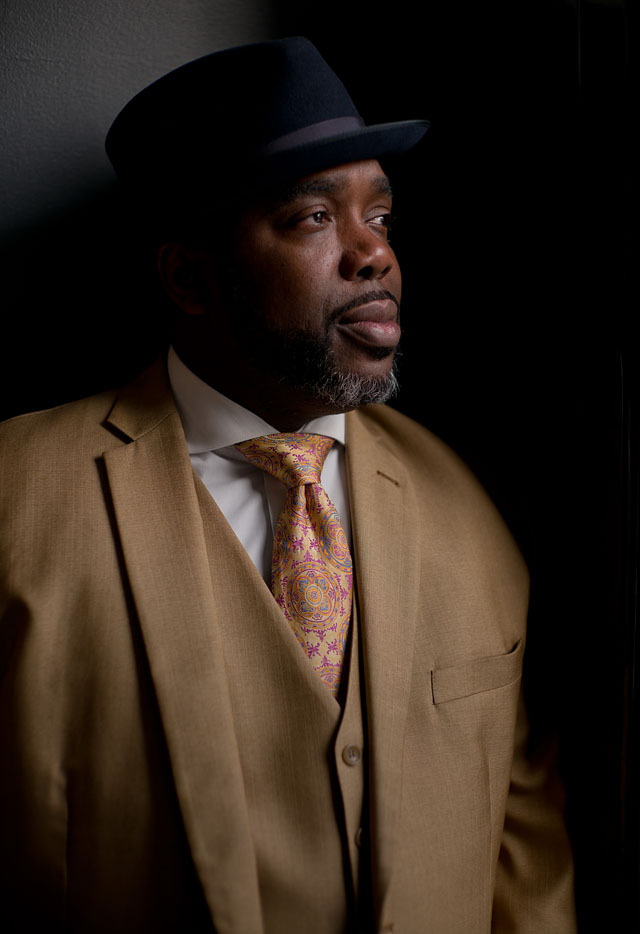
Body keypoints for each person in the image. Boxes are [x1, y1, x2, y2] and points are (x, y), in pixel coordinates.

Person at [0, 37, 576, 933]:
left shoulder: (466, 501)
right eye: (313, 218)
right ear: (190, 276)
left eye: (379, 218)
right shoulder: (14, 497)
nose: (372, 256)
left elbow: (528, 865)